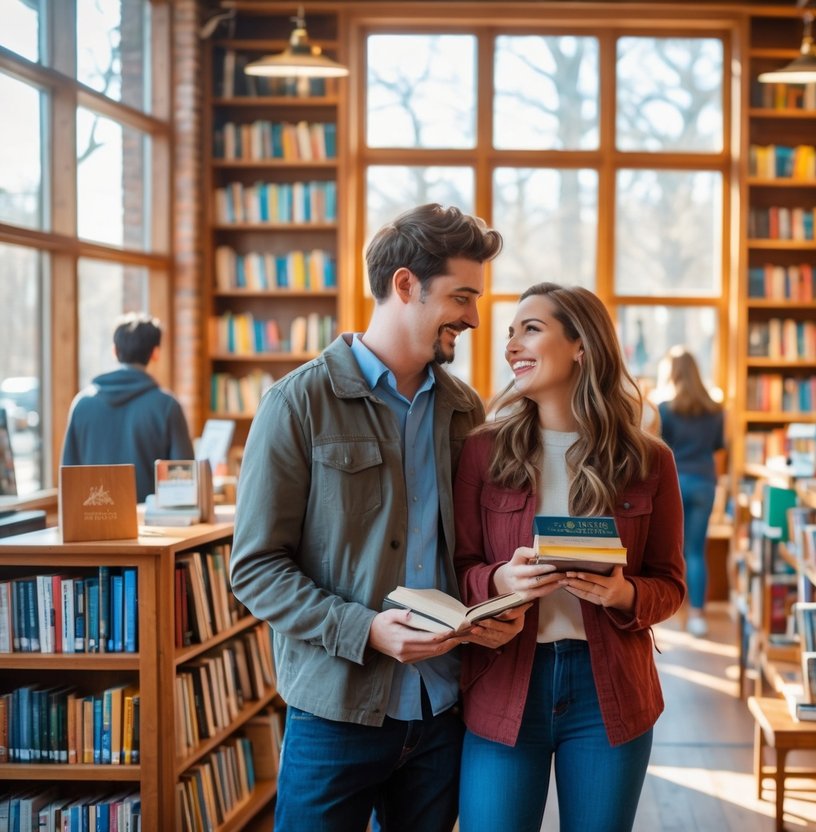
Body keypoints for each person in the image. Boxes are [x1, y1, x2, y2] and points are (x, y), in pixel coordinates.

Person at [228, 204, 522, 832]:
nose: (474, 318)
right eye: (462, 296)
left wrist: (492, 605)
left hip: (443, 711)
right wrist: (366, 630)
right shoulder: (297, 403)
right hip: (336, 713)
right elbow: (255, 569)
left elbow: (472, 553)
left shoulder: (465, 411)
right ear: (405, 285)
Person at [453, 283, 686, 832]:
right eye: (510, 333)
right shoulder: (482, 451)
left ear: (581, 345)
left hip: (609, 693)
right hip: (504, 680)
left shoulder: (649, 459)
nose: (511, 344)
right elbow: (457, 569)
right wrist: (498, 580)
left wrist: (625, 594)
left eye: (530, 329)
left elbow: (671, 585)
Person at [61, 312, 193, 502]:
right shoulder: (166, 406)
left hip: (92, 525)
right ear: (155, 353)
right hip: (151, 525)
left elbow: (68, 478)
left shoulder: (82, 404)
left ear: (114, 351)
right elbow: (182, 480)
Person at [656, 346, 724, 638]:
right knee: (696, 551)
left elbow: (659, 451)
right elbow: (719, 448)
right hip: (705, 483)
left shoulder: (666, 409)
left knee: (669, 549)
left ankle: (671, 610)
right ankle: (698, 616)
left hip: (675, 483)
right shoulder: (715, 410)